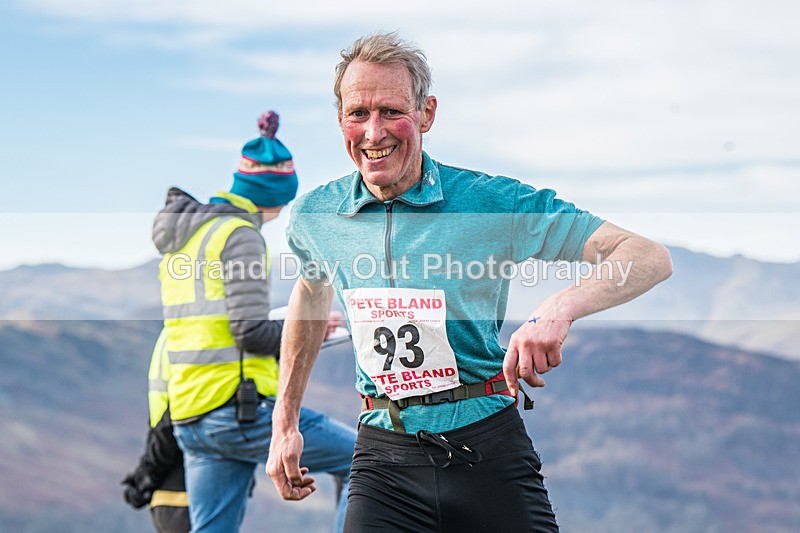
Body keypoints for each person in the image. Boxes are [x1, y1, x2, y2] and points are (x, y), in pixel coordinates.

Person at [266, 33, 673, 532]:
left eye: (391, 111)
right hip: (383, 460)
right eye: (358, 113)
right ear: (340, 121)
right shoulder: (316, 216)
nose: (374, 132)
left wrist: (559, 308)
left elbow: (646, 257)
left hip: (487, 447)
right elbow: (310, 295)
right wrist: (284, 423)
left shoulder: (492, 202)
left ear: (426, 114)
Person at [152, 111, 357, 532]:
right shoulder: (240, 235)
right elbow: (249, 332)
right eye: (285, 199)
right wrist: (313, 328)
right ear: (273, 193)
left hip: (190, 415)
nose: (284, 210)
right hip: (237, 410)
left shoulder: (191, 237)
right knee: (366, 462)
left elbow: (211, 324)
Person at [122, 329, 190, 533]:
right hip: (181, 496)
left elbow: (166, 426)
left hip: (174, 496)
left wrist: (144, 479)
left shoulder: (174, 334)